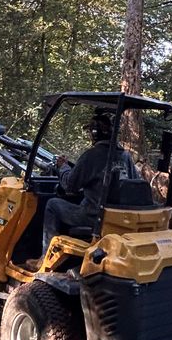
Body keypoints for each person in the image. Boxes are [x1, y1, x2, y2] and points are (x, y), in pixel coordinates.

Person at [40, 108, 138, 258]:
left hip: (93, 216)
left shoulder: (92, 156)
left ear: (95, 133)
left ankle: (46, 256)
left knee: (52, 204)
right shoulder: (126, 157)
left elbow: (69, 186)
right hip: (119, 219)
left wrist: (63, 167)